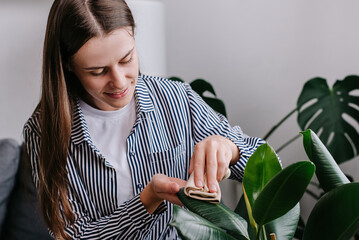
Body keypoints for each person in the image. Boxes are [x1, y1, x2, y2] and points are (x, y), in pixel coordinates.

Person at [23, 0, 265, 239]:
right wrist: (148, 199)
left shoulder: (176, 99)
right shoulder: (43, 131)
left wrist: (230, 149)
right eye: (97, 71)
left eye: (126, 59)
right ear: (68, 66)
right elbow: (72, 235)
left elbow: (271, 167)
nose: (118, 81)